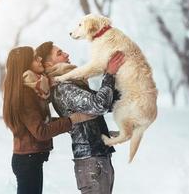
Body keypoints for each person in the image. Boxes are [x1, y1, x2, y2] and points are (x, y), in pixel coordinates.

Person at [2, 46, 97, 194]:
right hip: (27, 161)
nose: (39, 58)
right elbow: (41, 131)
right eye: (34, 57)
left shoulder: (32, 88)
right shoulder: (25, 93)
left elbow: (40, 122)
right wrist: (72, 120)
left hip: (29, 159)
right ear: (25, 64)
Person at [36, 42, 125, 194]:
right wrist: (109, 74)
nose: (66, 54)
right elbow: (99, 105)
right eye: (59, 53)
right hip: (91, 161)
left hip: (97, 158)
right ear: (48, 64)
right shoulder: (63, 88)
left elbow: (104, 102)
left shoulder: (72, 83)